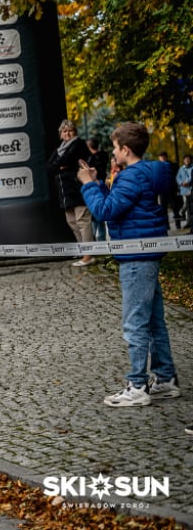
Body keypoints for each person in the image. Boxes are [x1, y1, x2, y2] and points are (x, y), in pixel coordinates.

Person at [78, 122, 179, 408]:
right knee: (153, 322)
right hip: (146, 252)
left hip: (135, 256)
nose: (112, 152)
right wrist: (98, 183)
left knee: (135, 322)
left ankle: (137, 385)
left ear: (125, 149)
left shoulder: (131, 176)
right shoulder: (145, 172)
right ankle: (166, 378)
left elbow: (105, 210)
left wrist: (88, 185)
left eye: (114, 147)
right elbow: (120, 204)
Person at [47, 119, 94, 266]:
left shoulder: (78, 144)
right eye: (64, 131)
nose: (67, 133)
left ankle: (89, 255)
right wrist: (61, 164)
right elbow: (49, 167)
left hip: (77, 189)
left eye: (70, 130)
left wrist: (61, 164)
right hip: (65, 193)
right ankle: (84, 252)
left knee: (82, 221)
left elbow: (67, 159)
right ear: (60, 134)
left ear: (75, 132)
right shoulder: (59, 148)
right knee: (72, 222)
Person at [86, 138, 111, 241]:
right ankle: (101, 240)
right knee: (99, 215)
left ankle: (97, 241)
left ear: (89, 146)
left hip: (95, 188)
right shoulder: (104, 156)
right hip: (102, 187)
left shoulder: (91, 160)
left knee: (94, 215)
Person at [156, 151, 182, 229]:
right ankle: (166, 225)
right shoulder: (157, 167)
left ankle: (178, 224)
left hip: (172, 190)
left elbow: (177, 178)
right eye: (160, 157)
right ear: (159, 158)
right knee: (163, 209)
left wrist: (178, 189)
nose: (162, 158)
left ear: (166, 157)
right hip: (162, 191)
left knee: (175, 208)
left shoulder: (173, 166)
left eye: (163, 156)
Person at [178, 154, 193, 234]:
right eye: (185, 159)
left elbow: (191, 178)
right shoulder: (181, 169)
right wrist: (181, 183)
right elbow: (178, 177)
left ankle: (182, 212)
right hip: (185, 190)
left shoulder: (192, 168)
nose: (187, 161)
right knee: (189, 208)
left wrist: (187, 182)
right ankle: (189, 224)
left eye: (188, 159)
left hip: (191, 190)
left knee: (189, 208)